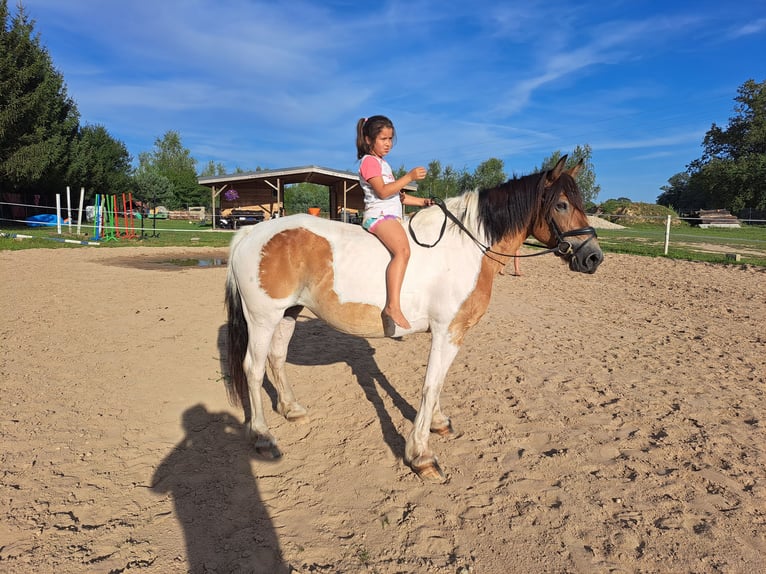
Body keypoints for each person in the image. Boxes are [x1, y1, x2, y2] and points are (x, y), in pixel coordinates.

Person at [356, 115, 432, 330]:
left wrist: (424, 202)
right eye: (383, 139)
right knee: (402, 252)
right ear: (369, 140)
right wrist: (408, 177)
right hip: (378, 215)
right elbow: (382, 192)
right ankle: (392, 306)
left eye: (390, 139)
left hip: (389, 213)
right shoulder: (370, 162)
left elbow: (398, 196)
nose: (388, 143)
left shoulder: (383, 164)